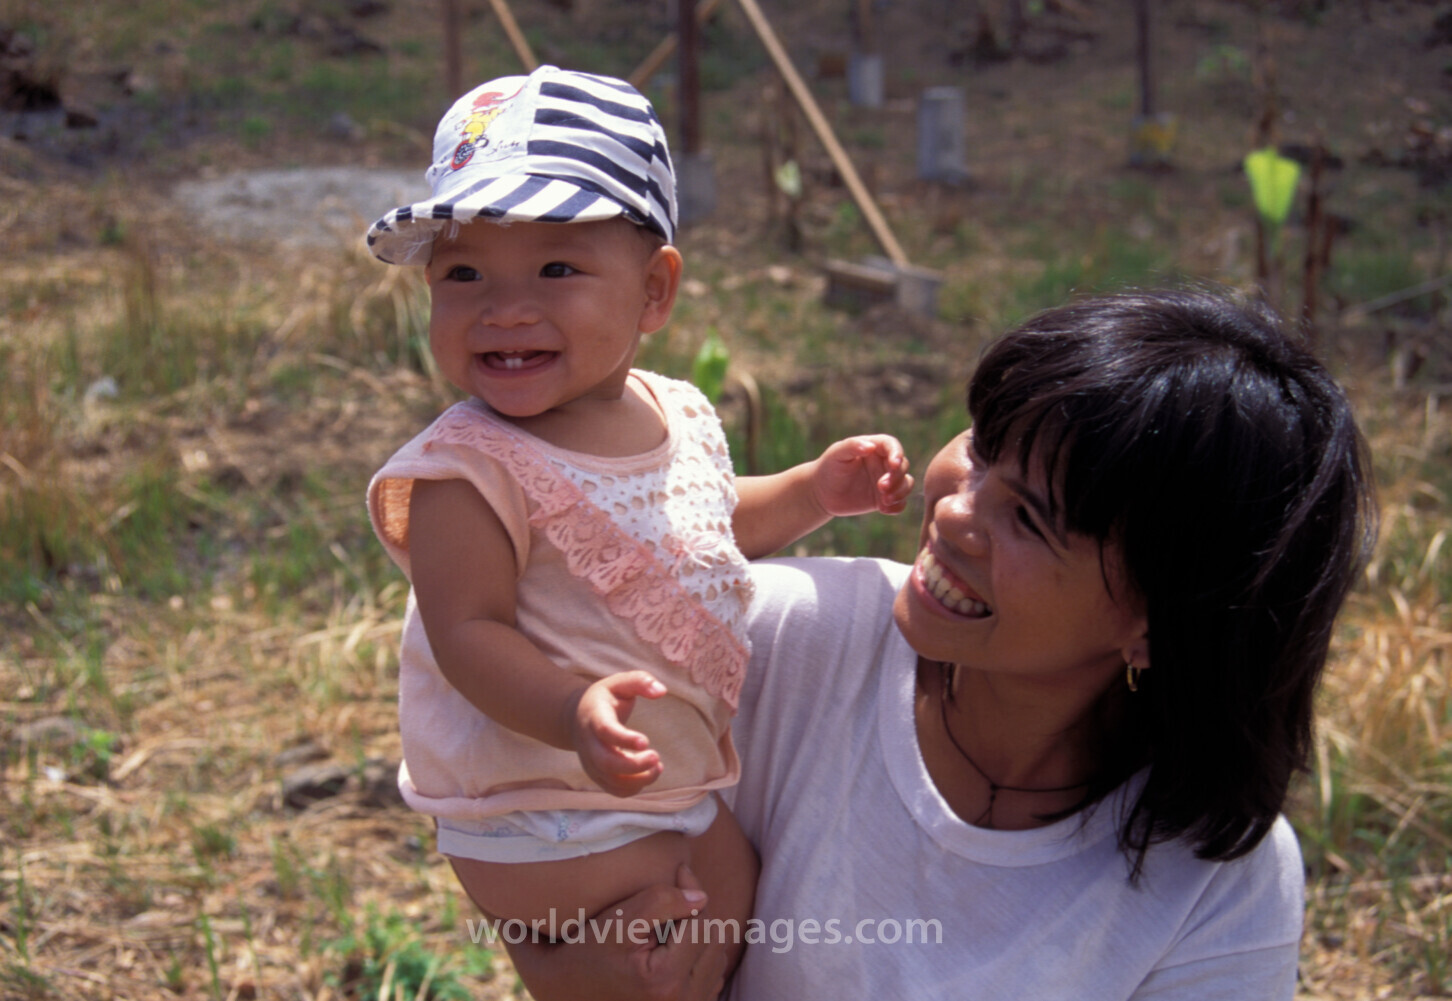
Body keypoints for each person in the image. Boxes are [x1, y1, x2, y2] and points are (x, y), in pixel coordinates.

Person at [504, 287, 1376, 1000]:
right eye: (984, 446)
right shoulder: (777, 639)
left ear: (1161, 621)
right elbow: (516, 802)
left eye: (1030, 517)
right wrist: (562, 967)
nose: (958, 509)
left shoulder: (1218, 880)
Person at [362, 64, 913, 981]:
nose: (504, 307)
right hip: (539, 803)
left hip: (654, 791)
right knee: (643, 962)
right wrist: (568, 710)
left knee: (729, 899)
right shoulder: (468, 469)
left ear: (655, 291)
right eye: (463, 272)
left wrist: (814, 491)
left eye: (555, 267)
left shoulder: (674, 414)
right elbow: (467, 632)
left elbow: (692, 532)